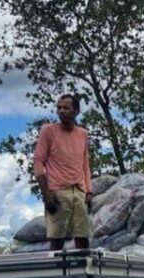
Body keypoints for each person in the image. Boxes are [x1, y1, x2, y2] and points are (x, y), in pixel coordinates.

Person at [33, 94, 92, 250]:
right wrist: (46, 194)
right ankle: (56, 271)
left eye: (66, 108)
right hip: (57, 190)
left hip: (79, 190)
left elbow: (84, 164)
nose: (61, 111)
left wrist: (89, 190)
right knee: (57, 237)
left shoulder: (82, 134)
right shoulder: (48, 131)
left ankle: (85, 272)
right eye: (59, 108)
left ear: (76, 111)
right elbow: (38, 162)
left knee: (82, 234)